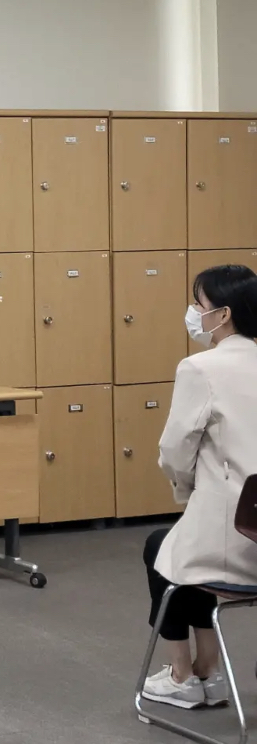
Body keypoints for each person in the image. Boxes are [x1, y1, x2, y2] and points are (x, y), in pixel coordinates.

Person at [141, 264, 257, 712]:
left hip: (235, 538)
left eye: (199, 304)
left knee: (162, 551)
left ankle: (182, 674)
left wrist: (188, 488)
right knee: (181, 546)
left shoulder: (200, 367)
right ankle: (209, 669)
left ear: (223, 314)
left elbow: (174, 451)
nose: (193, 312)